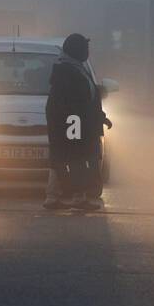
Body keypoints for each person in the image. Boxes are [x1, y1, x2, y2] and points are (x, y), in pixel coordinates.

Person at [44, 33, 110, 210]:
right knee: (76, 159)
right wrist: (74, 126)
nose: (87, 52)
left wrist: (100, 118)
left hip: (76, 123)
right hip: (73, 124)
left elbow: (89, 100)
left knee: (64, 158)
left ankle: (54, 196)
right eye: (84, 48)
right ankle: (77, 197)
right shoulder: (68, 72)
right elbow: (73, 104)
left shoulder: (77, 69)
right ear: (76, 50)